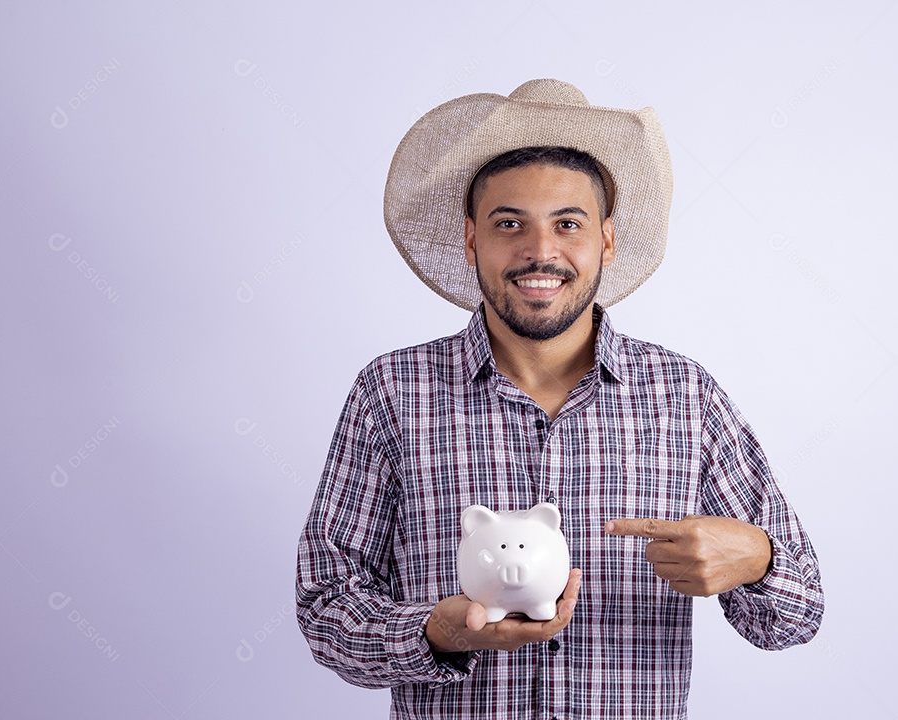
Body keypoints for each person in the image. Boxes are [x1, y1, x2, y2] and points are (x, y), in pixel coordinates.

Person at [296, 79, 824, 719]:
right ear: (471, 239)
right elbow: (325, 609)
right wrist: (438, 633)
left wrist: (758, 559)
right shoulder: (392, 392)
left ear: (606, 239)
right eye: (509, 223)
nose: (540, 251)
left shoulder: (685, 397)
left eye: (567, 224)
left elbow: (798, 613)